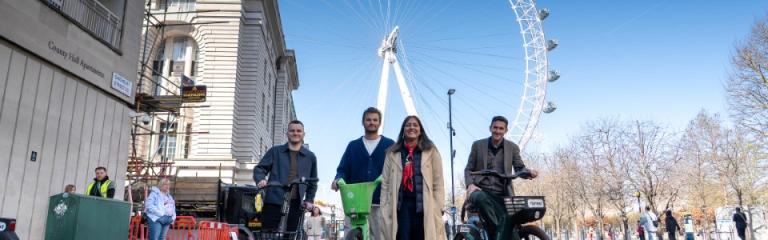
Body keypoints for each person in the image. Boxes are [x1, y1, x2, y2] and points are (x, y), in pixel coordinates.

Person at [463, 116, 538, 239]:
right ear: (490, 128)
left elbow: (520, 168)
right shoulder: (477, 145)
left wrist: (529, 172)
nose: (497, 131)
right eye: (495, 127)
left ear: (506, 130)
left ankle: (504, 233)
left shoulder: (513, 147)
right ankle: (496, 232)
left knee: (514, 230)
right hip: (480, 191)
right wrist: (471, 185)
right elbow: (468, 169)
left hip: (503, 194)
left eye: (501, 128)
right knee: (480, 197)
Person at [332, 107, 395, 239]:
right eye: (368, 119)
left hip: (380, 202)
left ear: (379, 123)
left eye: (375, 120)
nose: (371, 122)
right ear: (363, 122)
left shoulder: (390, 145)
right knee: (352, 236)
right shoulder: (353, 146)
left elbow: (396, 169)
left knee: (380, 236)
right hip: (355, 203)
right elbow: (343, 169)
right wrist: (338, 179)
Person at [380, 116, 445, 240]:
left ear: (420, 130)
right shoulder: (392, 153)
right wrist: (384, 207)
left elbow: (438, 183)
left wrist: (437, 207)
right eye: (408, 125)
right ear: (403, 130)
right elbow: (385, 183)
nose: (412, 127)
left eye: (415, 125)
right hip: (401, 207)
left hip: (424, 207)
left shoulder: (431, 152)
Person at [253, 120, 318, 232]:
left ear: (303, 134)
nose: (295, 133)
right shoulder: (275, 151)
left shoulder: (310, 157)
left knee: (291, 234)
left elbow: (312, 182)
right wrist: (261, 180)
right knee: (269, 234)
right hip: (274, 200)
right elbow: (260, 169)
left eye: (299, 131)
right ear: (287, 133)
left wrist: (309, 200)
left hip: (296, 204)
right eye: (292, 130)